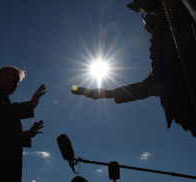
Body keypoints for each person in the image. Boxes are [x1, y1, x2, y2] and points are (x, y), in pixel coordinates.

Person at [74, 0, 196, 137]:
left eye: (149, 23)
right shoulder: (164, 70)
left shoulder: (178, 26)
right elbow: (143, 89)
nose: (146, 30)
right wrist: (106, 93)